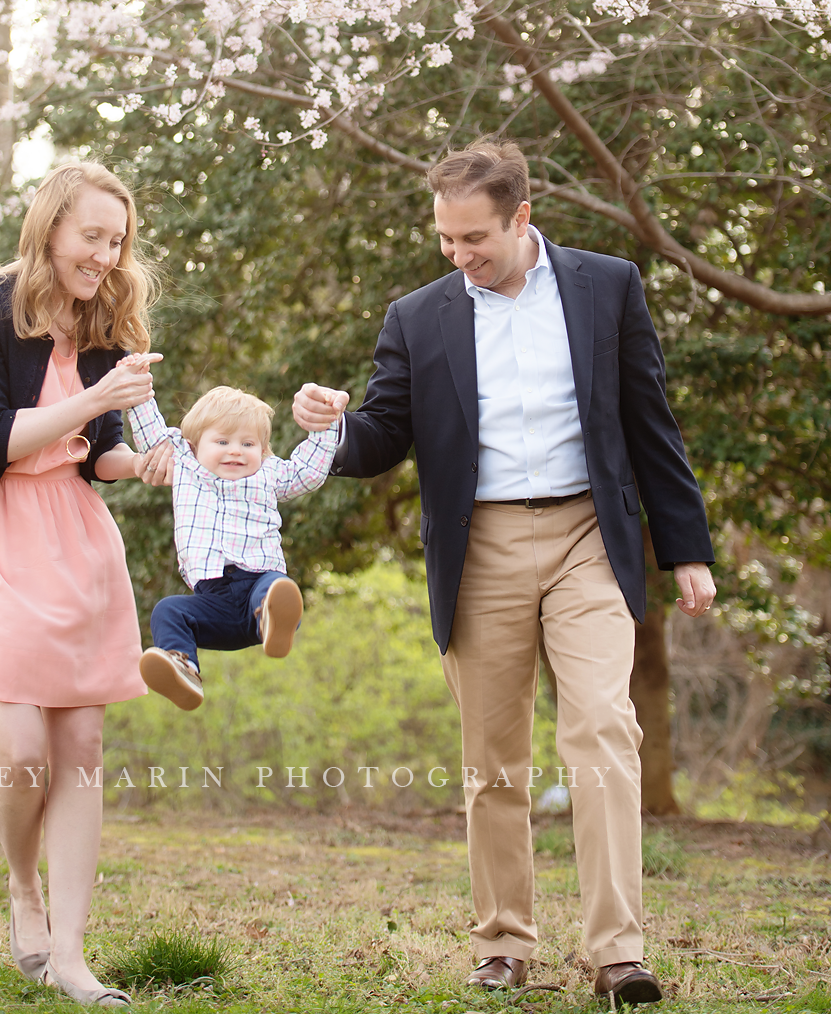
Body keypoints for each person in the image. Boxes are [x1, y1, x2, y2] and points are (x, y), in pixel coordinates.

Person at [293, 139, 716, 1006]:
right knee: (493, 759)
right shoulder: (417, 316)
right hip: (478, 545)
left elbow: (651, 422)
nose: (457, 256)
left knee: (602, 728)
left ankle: (618, 952)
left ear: (522, 217)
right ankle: (503, 942)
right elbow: (382, 436)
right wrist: (332, 424)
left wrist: (688, 550)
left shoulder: (607, 286)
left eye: (473, 238)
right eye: (445, 241)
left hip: (587, 538)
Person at [0, 161, 171, 1009]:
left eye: (117, 241)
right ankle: (22, 889)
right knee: (22, 751)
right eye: (91, 236)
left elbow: (94, 451)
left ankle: (69, 955)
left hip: (73, 536)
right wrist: (98, 393)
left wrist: (141, 461)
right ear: (50, 228)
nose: (105, 256)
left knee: (81, 751)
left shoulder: (104, 318)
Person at [126, 383, 347, 709]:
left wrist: (328, 424)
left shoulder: (269, 473)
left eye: (248, 443)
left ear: (262, 448)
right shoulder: (185, 468)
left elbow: (308, 471)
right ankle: (184, 669)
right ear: (193, 445)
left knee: (276, 588)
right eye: (222, 441)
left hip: (258, 587)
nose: (236, 451)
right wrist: (137, 387)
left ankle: (273, 621)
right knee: (168, 611)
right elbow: (153, 437)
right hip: (213, 605)